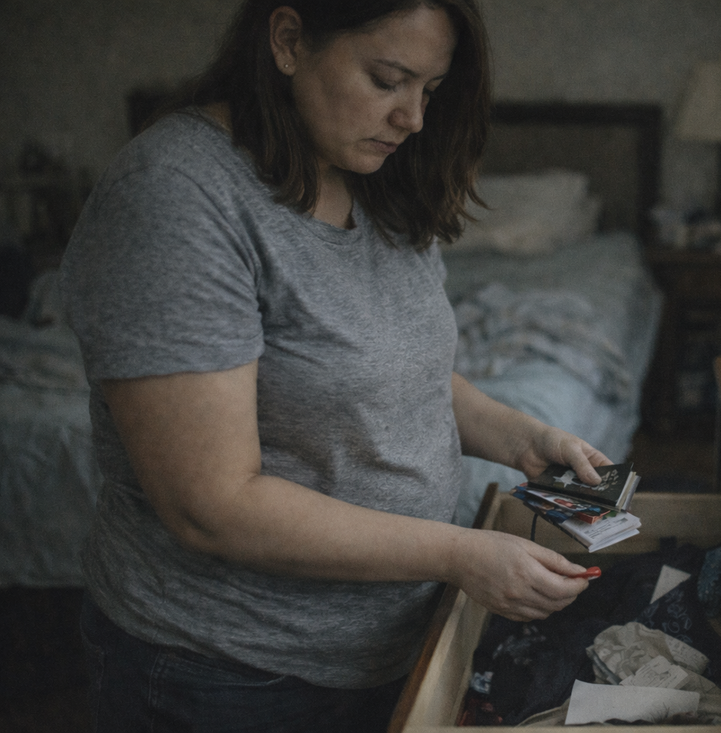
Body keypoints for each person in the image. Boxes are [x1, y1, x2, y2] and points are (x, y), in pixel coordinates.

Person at [59, 1, 611, 729]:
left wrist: (519, 437)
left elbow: (395, 371)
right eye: (388, 79)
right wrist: (460, 553)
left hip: (393, 646)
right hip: (228, 671)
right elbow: (211, 504)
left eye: (430, 90)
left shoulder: (377, 174)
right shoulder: (175, 195)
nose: (412, 116)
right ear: (288, 41)